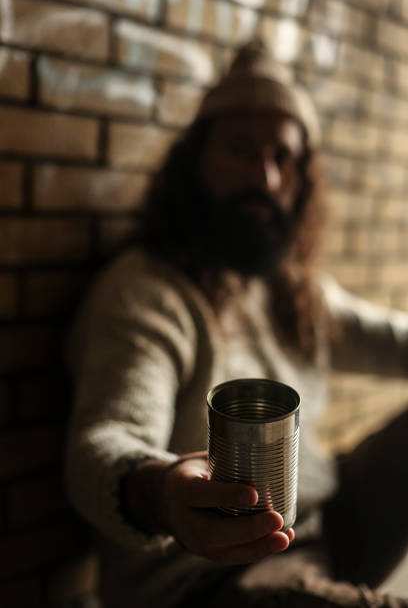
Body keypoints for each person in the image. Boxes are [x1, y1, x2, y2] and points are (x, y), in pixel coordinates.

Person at [65, 40, 408, 608]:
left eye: (284, 159)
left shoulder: (289, 290)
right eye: (241, 150)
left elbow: (395, 338)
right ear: (196, 162)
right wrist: (161, 492)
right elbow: (101, 442)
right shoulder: (149, 291)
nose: (266, 178)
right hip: (203, 580)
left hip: (318, 532)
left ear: (303, 182)